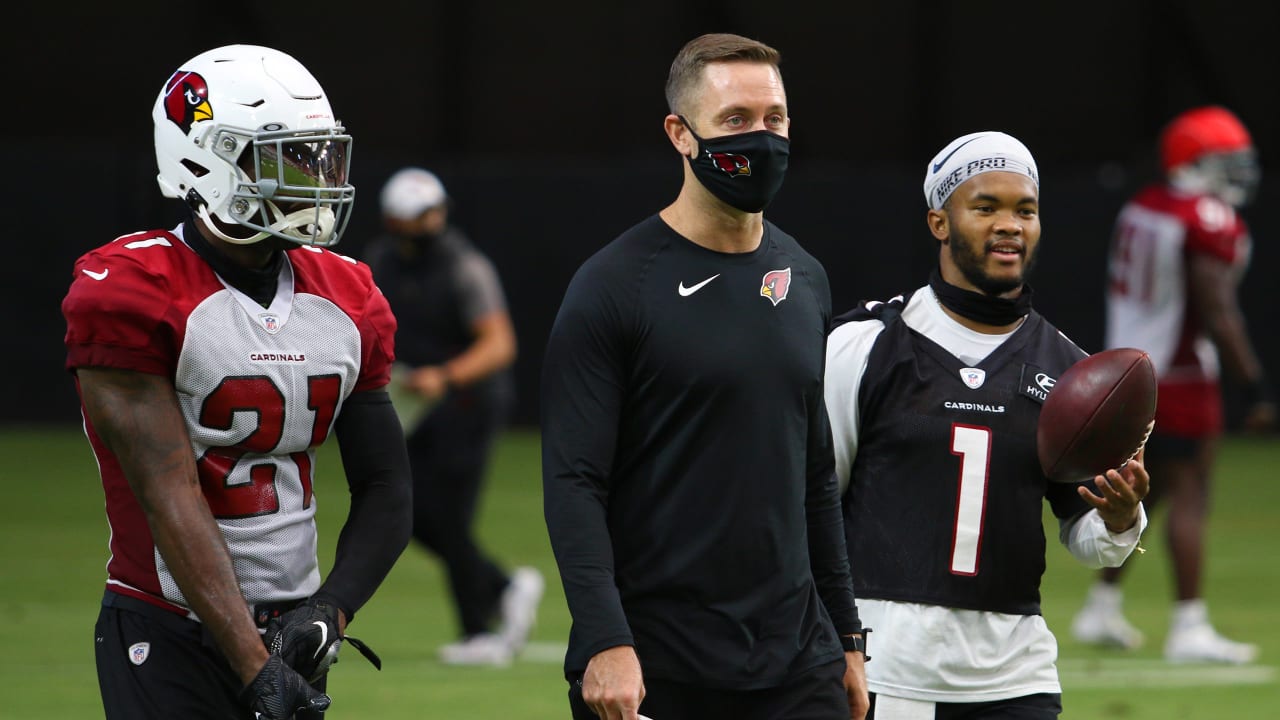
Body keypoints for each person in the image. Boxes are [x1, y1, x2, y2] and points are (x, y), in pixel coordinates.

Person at [61, 44, 413, 719]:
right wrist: (255, 669)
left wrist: (328, 613)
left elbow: (388, 486)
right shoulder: (132, 288)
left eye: (317, 156)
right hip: (166, 629)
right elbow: (170, 494)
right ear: (205, 158)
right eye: (285, 157)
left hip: (291, 629)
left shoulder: (348, 296)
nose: (312, 178)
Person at [541, 32, 869, 720]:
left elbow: (813, 475)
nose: (762, 139)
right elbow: (575, 483)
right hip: (659, 664)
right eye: (735, 121)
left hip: (796, 660)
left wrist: (846, 636)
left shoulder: (804, 278)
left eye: (774, 119)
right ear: (680, 134)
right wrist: (605, 640)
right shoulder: (612, 287)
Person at [824, 131, 1151, 719]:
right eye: (985, 207)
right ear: (939, 222)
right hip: (890, 671)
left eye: (1025, 209)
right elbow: (812, 506)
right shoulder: (867, 347)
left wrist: (1120, 515)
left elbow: (1088, 538)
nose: (1010, 225)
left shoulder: (1068, 371)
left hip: (1014, 677)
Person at [1071, 106, 1273, 664]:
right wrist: (1253, 386)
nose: (1236, 173)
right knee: (1191, 496)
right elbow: (1218, 307)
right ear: (1194, 161)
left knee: (1144, 493)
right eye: (1224, 162)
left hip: (1129, 369)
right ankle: (1189, 625)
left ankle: (1102, 607)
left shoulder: (1144, 206)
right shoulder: (1204, 215)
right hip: (1180, 374)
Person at [363, 167, 543, 666]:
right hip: (413, 407)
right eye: (418, 215)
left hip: (467, 406)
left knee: (449, 517)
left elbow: (500, 343)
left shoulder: (464, 266)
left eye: (434, 212)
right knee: (411, 514)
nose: (430, 222)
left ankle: (478, 633)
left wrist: (445, 375)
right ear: (394, 220)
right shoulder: (381, 262)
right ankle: (504, 586)